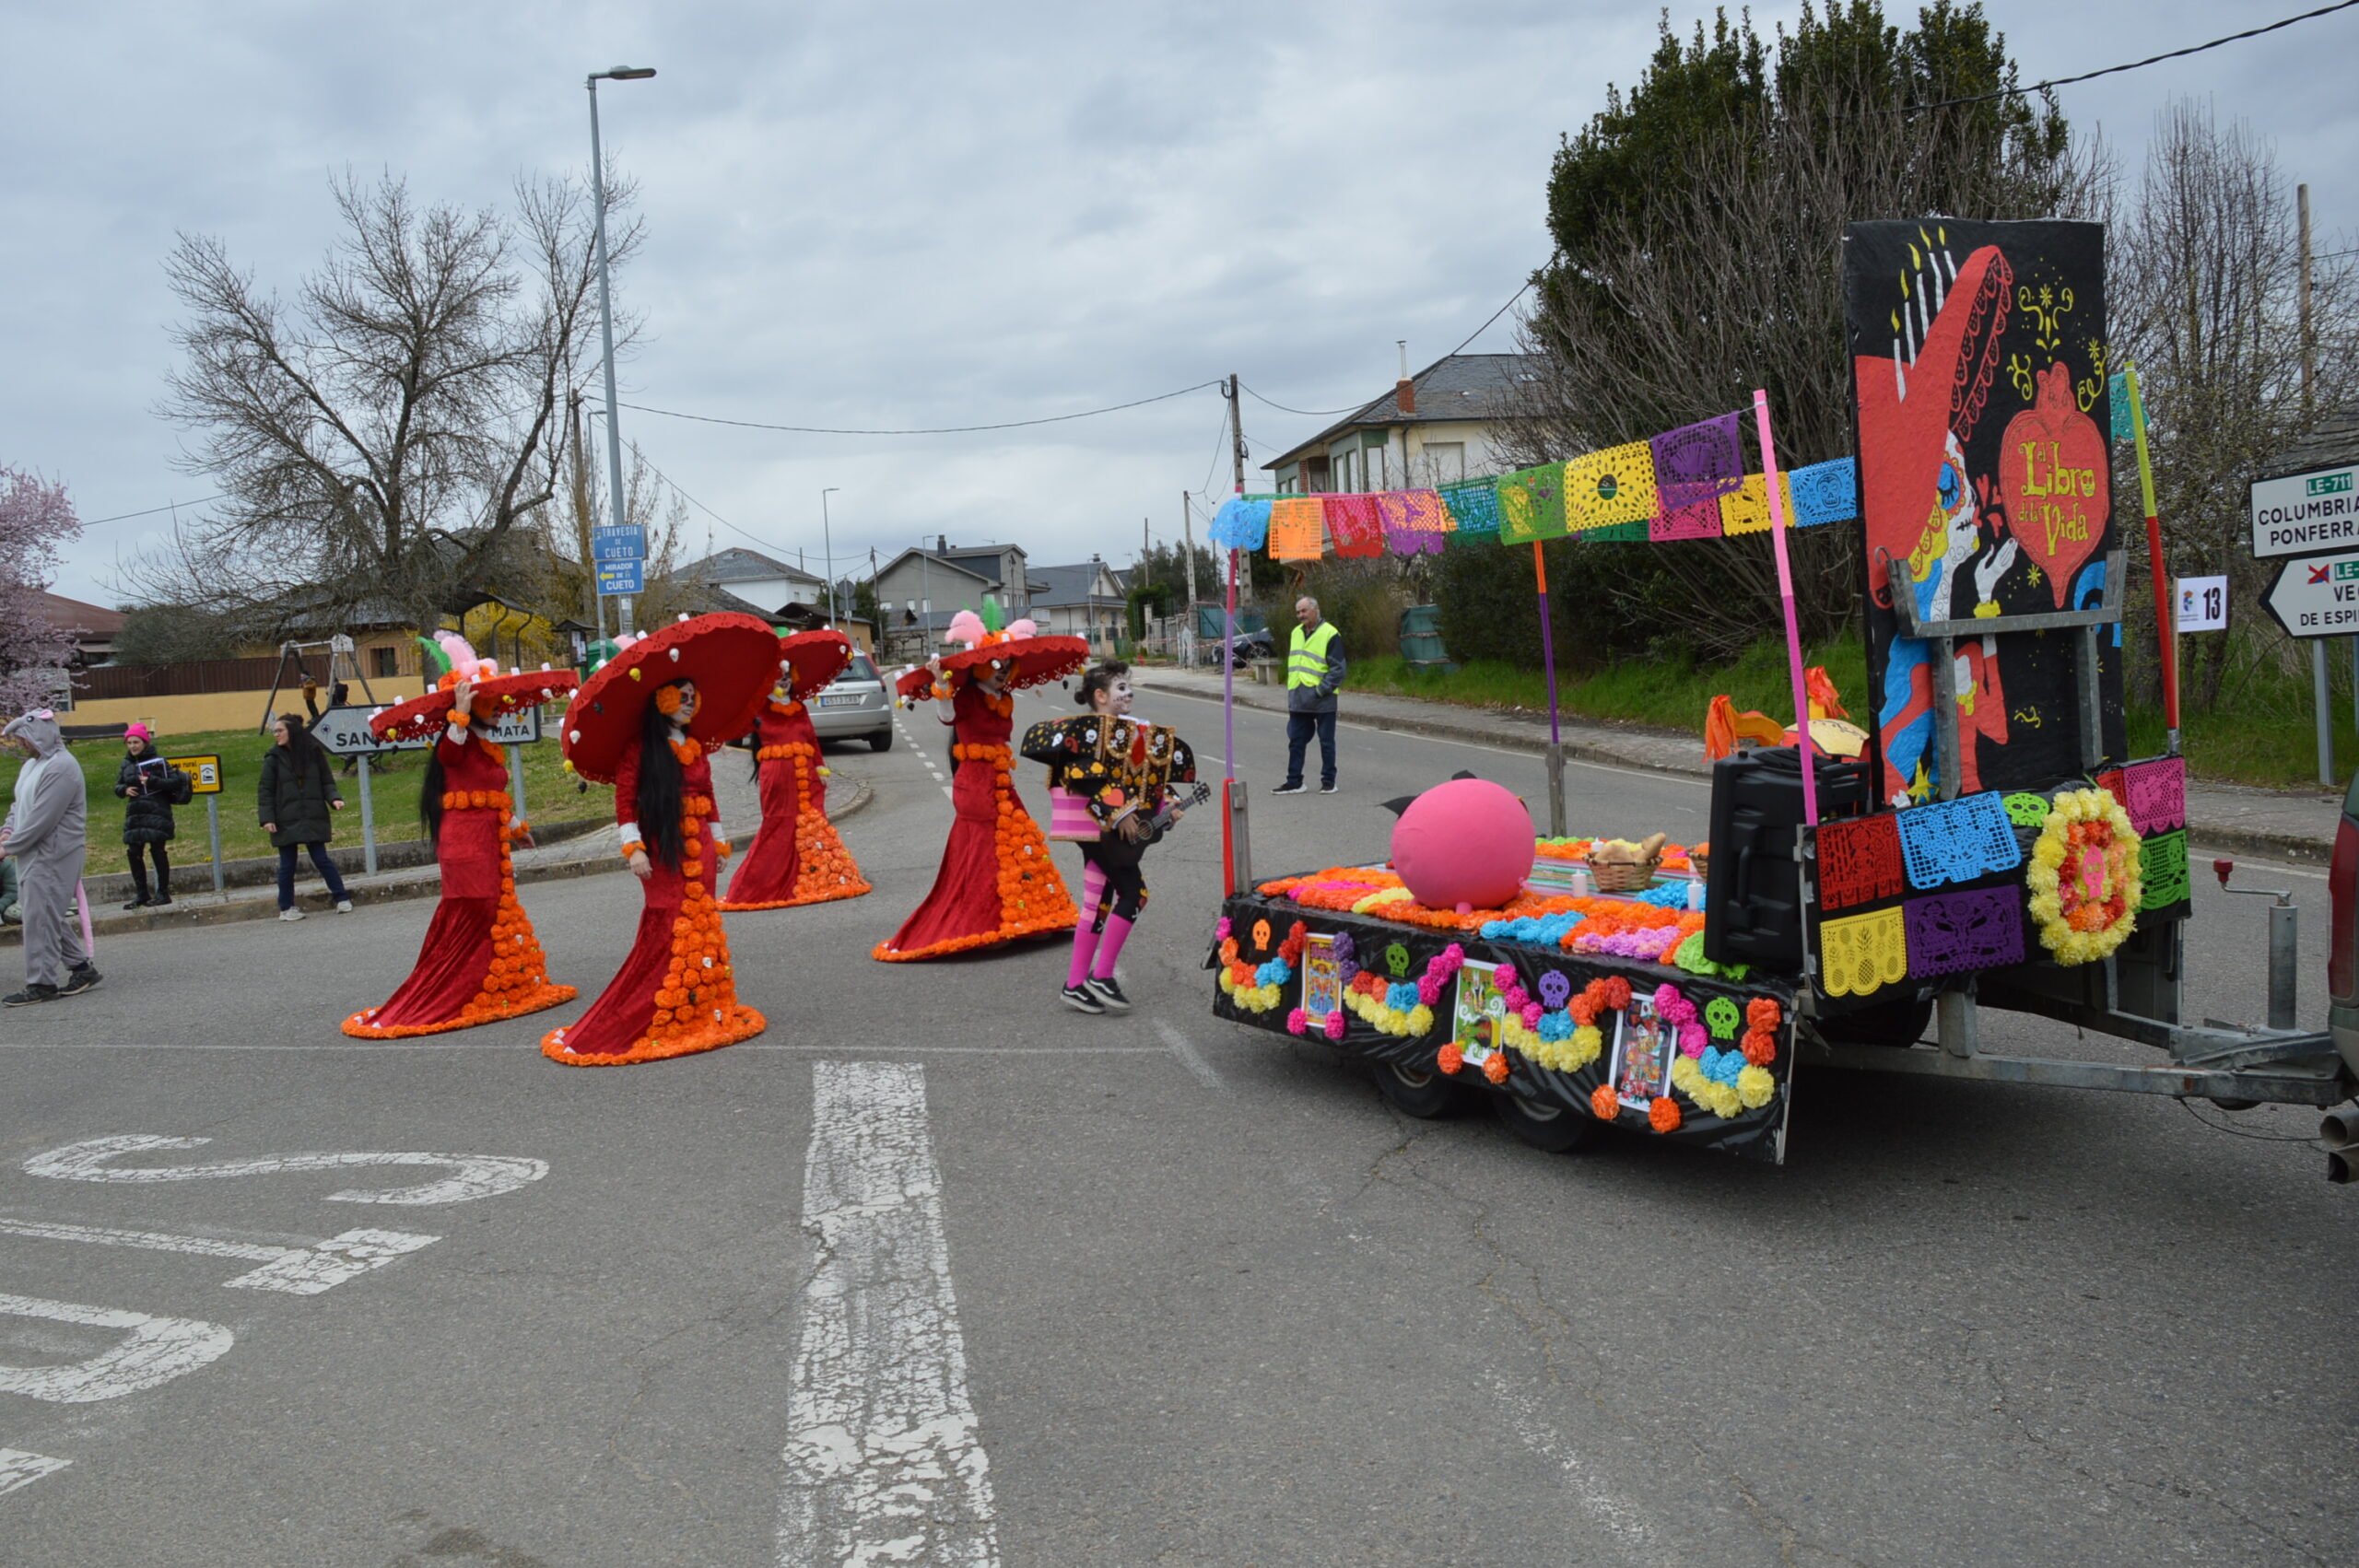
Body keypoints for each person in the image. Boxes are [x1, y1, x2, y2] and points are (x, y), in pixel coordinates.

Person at [543, 612, 777, 1065]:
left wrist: (719, 839)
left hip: (701, 850)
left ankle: (696, 997)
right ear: (663, 699)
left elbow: (708, 795)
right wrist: (633, 848)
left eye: (694, 697)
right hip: (663, 849)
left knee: (701, 917)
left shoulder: (696, 746)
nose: (691, 703)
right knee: (667, 920)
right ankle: (655, 1000)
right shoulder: (640, 749)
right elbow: (625, 802)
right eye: (683, 697)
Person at [342, 637, 579, 1038]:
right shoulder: (455, 741)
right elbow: (450, 758)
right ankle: (463, 984)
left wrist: (517, 828)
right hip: (464, 845)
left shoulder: (484, 745)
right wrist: (461, 712)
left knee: (494, 907)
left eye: (491, 703)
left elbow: (492, 796)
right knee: (476, 907)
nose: (498, 709)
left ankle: (493, 979)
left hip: (488, 838)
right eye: (488, 703)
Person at [873, 607, 1086, 962]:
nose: (1003, 673)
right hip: (974, 782)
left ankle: (1026, 910)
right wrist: (942, 688)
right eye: (997, 667)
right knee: (985, 848)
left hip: (1002, 779)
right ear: (981, 667)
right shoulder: (966, 695)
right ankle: (988, 918)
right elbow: (948, 719)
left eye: (1007, 668)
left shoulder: (1003, 698)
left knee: (1017, 840)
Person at [1021, 661, 1197, 1014]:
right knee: (1135, 893)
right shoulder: (1089, 731)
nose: (1128, 693)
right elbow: (1082, 774)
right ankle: (1101, 975)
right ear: (1100, 696)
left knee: (1097, 902)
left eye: (1129, 687)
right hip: (1095, 829)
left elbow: (1145, 777)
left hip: (1100, 830)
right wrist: (1122, 812)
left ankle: (1074, 985)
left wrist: (1170, 803)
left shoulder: (1132, 731)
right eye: (1120, 688)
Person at [719, 628, 872, 911]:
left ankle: (816, 877)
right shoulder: (760, 709)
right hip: (777, 777)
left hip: (809, 777)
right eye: (779, 677)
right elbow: (735, 728)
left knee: (813, 822)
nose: (785, 682)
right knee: (778, 824)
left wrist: (821, 769)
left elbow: (811, 740)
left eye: (787, 677)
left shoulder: (799, 707)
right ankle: (761, 884)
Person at [2, 709, 100, 1005]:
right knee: (43, 912)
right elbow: (21, 806)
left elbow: (42, 820)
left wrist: (8, 847)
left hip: (55, 854)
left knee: (39, 916)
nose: (21, 745)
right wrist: (7, 829)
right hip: (33, 853)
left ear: (40, 735)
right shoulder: (33, 766)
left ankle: (42, 982)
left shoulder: (62, 768)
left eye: (24, 739)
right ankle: (82, 969)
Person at [259, 711, 351, 919]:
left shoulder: (313, 753)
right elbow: (265, 790)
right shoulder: (273, 758)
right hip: (285, 817)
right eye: (274, 731)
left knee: (322, 859)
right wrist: (267, 818)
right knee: (287, 865)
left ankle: (342, 898)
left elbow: (326, 780)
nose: (276, 734)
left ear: (292, 731)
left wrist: (334, 798)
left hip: (312, 814)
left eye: (280, 730)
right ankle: (286, 908)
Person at [1273, 594, 1345, 796]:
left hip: (1322, 699)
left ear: (1315, 610)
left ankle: (1329, 781)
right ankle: (1294, 781)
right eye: (1298, 612)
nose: (1300, 615)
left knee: (1326, 742)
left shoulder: (1330, 633)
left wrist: (1321, 690)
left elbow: (1338, 669)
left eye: (1304, 611)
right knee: (1296, 741)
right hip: (1298, 698)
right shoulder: (1296, 632)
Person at [114, 721, 191, 909]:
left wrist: (153, 781)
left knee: (158, 851)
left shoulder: (158, 761)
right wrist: (124, 790)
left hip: (157, 811)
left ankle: (162, 892)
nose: (132, 746)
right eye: (129, 743)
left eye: (136, 742)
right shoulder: (126, 764)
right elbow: (117, 785)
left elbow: (173, 782)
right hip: (136, 813)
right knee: (134, 852)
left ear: (145, 743)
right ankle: (141, 893)